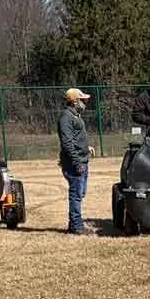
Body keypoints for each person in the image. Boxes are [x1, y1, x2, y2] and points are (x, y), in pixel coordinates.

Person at [59, 88, 95, 235]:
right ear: (74, 101)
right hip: (75, 163)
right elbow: (67, 143)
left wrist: (87, 147)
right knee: (76, 194)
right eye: (83, 100)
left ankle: (73, 224)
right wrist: (77, 162)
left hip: (82, 159)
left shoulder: (76, 116)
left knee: (80, 193)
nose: (85, 102)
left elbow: (76, 138)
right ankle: (77, 226)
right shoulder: (66, 118)